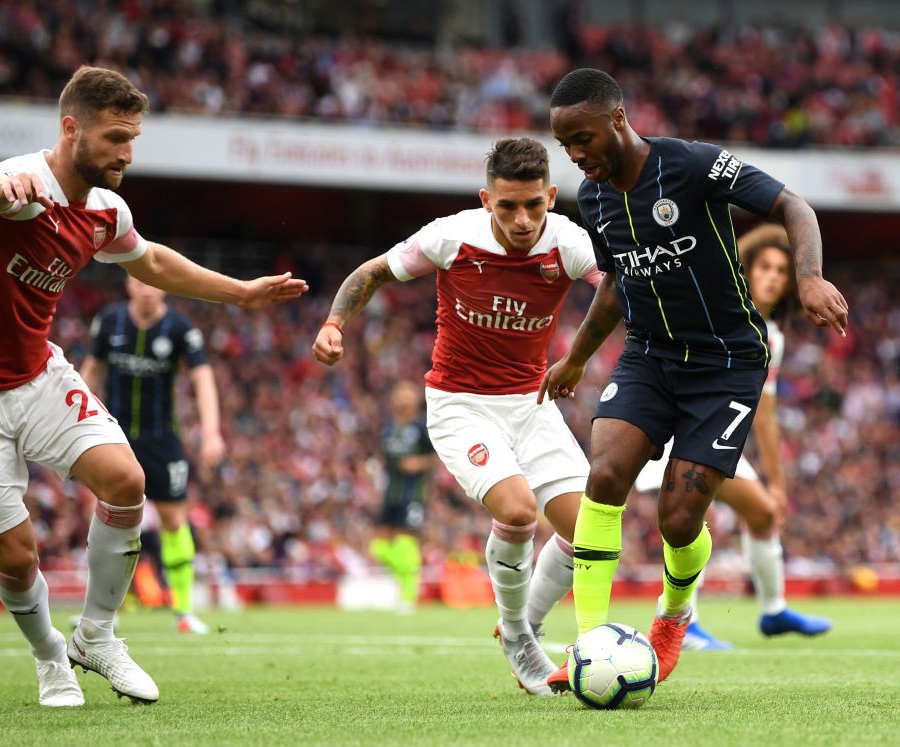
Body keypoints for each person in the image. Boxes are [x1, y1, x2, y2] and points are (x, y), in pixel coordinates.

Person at [0, 65, 307, 707]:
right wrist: (2, 186)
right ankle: (50, 661)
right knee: (16, 553)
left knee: (127, 482)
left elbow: (148, 260)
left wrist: (239, 293)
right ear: (72, 130)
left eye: (133, 139)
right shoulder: (20, 185)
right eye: (116, 138)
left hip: (36, 372)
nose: (127, 153)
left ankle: (96, 636)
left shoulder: (103, 211)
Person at [539, 68, 848, 691]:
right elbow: (617, 284)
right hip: (650, 355)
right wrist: (575, 357)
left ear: (618, 119)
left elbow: (794, 204)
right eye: (565, 143)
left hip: (727, 362)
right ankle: (589, 644)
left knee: (679, 520)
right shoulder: (595, 197)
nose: (576, 154)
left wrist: (809, 276)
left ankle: (674, 617)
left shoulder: (693, 165)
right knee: (603, 477)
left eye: (584, 138)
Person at [312, 136, 603, 696]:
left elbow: (620, 287)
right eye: (507, 206)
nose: (522, 220)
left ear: (552, 197)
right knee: (518, 513)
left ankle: (526, 626)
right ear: (485, 199)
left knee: (588, 531)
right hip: (460, 405)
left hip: (533, 403)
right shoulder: (451, 236)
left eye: (534, 206)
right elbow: (369, 274)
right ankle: (519, 636)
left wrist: (580, 357)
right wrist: (334, 324)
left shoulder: (568, 243)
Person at [633, 224, 831, 649]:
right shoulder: (719, 308)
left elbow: (765, 413)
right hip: (682, 426)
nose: (774, 276)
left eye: (782, 269)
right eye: (765, 266)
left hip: (717, 433)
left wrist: (778, 482)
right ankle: (685, 623)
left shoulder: (770, 337)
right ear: (746, 268)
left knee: (760, 514)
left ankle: (773, 611)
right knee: (692, 516)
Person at [81, 276, 226, 634]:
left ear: (164, 286)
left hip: (162, 441)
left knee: (174, 521)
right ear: (128, 284)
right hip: (112, 438)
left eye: (152, 282)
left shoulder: (179, 327)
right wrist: (75, 420)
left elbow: (202, 378)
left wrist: (211, 432)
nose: (146, 288)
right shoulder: (109, 321)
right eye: (138, 281)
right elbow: (91, 371)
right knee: (103, 519)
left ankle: (184, 611)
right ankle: (102, 612)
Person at [368, 379, 438, 614]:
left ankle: (408, 594)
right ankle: (404, 582)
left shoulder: (422, 427)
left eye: (407, 393)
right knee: (378, 546)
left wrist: (419, 463)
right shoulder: (388, 428)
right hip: (391, 492)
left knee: (405, 541)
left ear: (416, 399)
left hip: (413, 493)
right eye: (399, 393)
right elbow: (386, 459)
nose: (403, 398)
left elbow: (437, 456)